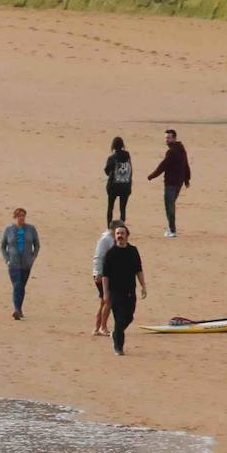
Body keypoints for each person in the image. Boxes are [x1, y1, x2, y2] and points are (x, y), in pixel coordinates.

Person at [100, 223, 146, 355]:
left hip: (130, 291)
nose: (120, 236)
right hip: (115, 292)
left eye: (122, 233)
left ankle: (115, 333)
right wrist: (105, 293)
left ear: (127, 235)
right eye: (118, 234)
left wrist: (143, 286)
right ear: (115, 236)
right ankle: (118, 347)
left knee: (129, 317)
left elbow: (138, 270)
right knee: (119, 320)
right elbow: (105, 276)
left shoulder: (133, 251)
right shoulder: (110, 254)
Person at [147, 128, 190, 238]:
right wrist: (186, 179)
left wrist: (152, 176)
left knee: (169, 206)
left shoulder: (172, 151)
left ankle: (172, 230)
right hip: (179, 182)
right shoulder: (181, 148)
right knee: (171, 205)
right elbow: (186, 164)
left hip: (171, 183)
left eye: (169, 138)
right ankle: (171, 227)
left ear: (174, 138)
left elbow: (163, 166)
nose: (167, 140)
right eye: (166, 138)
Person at [0, 207, 40, 320]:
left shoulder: (31, 229)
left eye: (23, 215)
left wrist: (33, 257)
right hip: (13, 263)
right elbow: (2, 246)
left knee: (22, 286)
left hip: (27, 263)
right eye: (19, 215)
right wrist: (7, 259)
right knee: (17, 284)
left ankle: (19, 308)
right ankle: (17, 309)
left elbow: (37, 245)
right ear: (15, 217)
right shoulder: (8, 230)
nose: (22, 218)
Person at [92, 220, 123, 337]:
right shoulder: (105, 240)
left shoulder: (112, 238)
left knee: (103, 302)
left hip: (109, 274)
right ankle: (102, 327)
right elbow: (98, 257)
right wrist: (98, 273)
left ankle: (97, 327)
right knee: (108, 301)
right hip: (102, 274)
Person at [104, 136, 132, 225]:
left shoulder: (112, 158)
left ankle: (109, 228)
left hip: (113, 186)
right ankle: (121, 226)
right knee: (122, 209)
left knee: (110, 207)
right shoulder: (127, 155)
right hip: (125, 186)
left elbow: (107, 171)